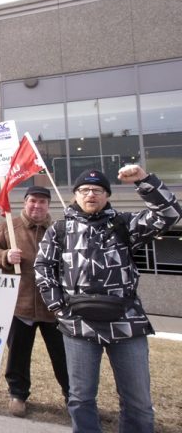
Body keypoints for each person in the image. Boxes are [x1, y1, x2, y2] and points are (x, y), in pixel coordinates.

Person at [35, 166, 181, 433]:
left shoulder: (124, 224)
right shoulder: (59, 229)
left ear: (107, 195)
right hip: (78, 325)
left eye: (98, 190)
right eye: (84, 190)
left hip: (126, 322)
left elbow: (170, 214)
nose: (91, 194)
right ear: (75, 195)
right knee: (81, 399)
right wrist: (58, 307)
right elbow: (43, 267)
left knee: (138, 402)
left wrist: (144, 181)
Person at [0, 185, 69, 417]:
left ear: (48, 205)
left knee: (63, 354)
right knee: (18, 355)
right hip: (20, 305)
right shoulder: (9, 227)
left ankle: (73, 396)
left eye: (42, 202)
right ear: (25, 203)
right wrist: (4, 256)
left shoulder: (59, 230)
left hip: (53, 306)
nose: (37, 205)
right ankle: (18, 394)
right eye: (33, 200)